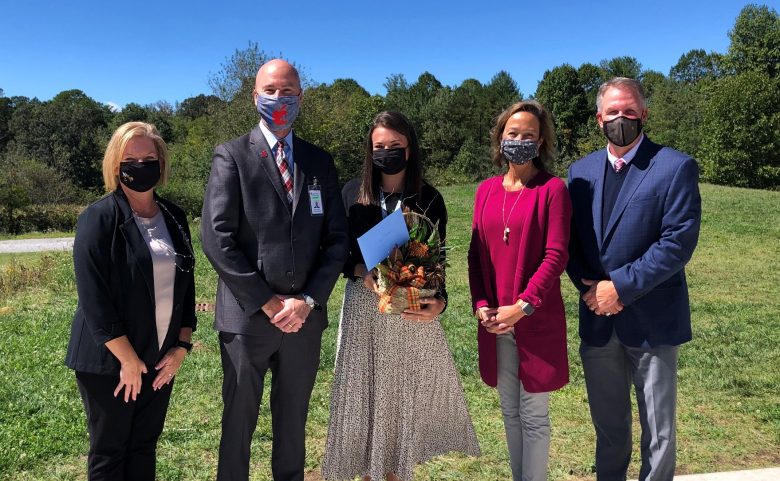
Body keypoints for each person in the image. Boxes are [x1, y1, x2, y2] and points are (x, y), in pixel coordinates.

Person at [200, 59, 349, 481]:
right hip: (248, 320)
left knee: (293, 425)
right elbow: (217, 237)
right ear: (254, 97)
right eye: (270, 91)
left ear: (301, 97)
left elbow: (336, 239)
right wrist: (265, 302)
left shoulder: (320, 162)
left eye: (288, 91)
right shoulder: (231, 156)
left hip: (303, 319)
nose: (279, 99)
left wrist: (307, 300)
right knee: (238, 425)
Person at [322, 111, 480, 481]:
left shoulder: (431, 198)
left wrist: (439, 302)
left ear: (409, 149)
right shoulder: (351, 195)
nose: (387, 152)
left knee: (398, 408)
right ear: (369, 151)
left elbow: (437, 262)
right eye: (380, 147)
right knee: (364, 405)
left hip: (410, 313)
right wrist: (362, 272)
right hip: (365, 308)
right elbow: (338, 252)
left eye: (395, 146)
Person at [567, 77, 702, 481]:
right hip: (598, 320)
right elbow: (568, 241)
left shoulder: (675, 167)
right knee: (609, 431)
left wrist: (619, 288)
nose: (620, 118)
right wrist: (592, 292)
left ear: (643, 114)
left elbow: (677, 244)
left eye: (629, 111)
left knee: (658, 433)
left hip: (653, 321)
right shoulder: (580, 172)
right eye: (612, 112)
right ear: (598, 118)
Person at [65, 121, 197, 480]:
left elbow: (186, 288)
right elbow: (94, 299)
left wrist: (181, 347)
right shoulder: (98, 219)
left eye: (148, 158)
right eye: (130, 159)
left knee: (143, 447)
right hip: (111, 364)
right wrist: (126, 359)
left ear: (161, 162)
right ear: (115, 164)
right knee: (110, 452)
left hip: (158, 360)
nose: (140, 166)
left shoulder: (175, 217)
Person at [467, 100, 571, 481]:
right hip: (495, 323)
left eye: (529, 135)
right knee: (509, 413)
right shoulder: (486, 191)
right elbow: (475, 256)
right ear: (500, 138)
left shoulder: (552, 190)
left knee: (534, 417)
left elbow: (556, 255)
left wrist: (523, 306)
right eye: (513, 134)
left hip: (534, 320)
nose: (520, 141)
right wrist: (481, 304)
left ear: (540, 141)